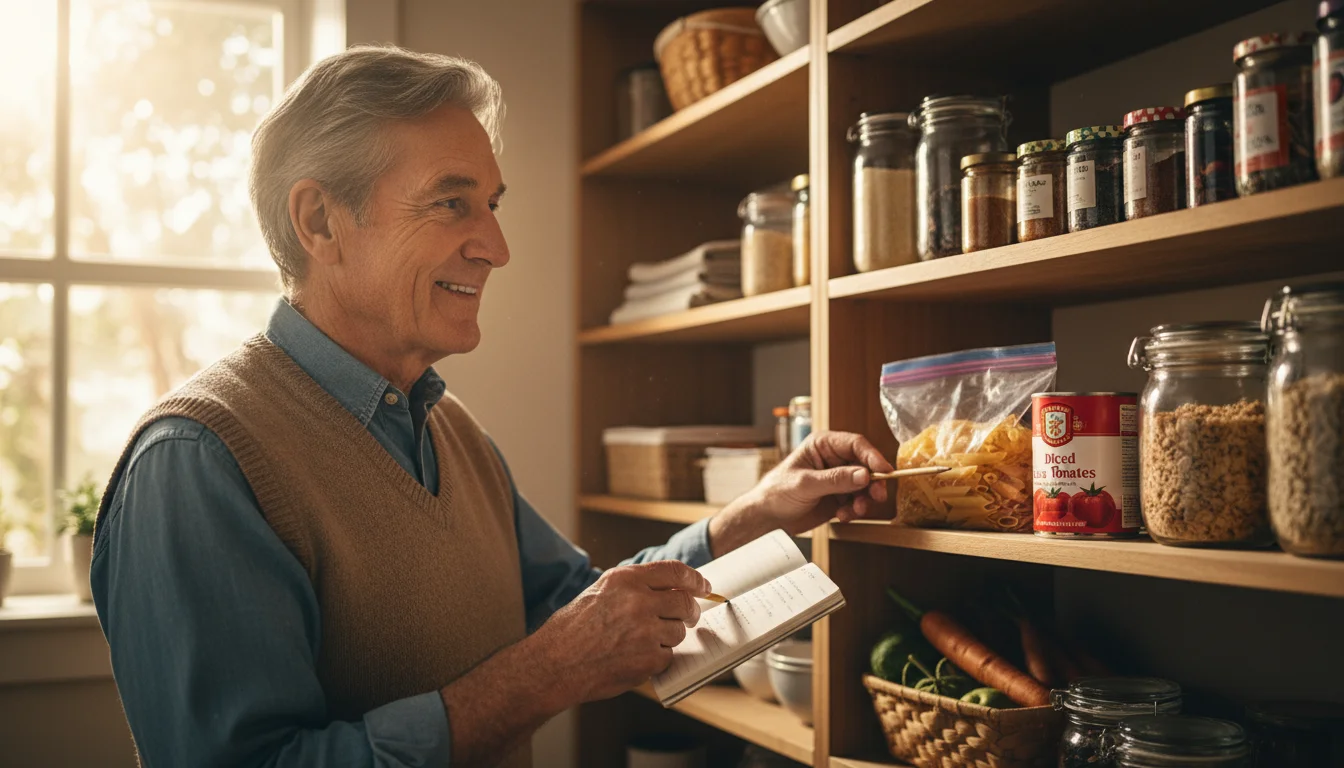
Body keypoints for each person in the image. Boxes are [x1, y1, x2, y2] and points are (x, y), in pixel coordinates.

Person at [91, 46, 894, 768]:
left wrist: (756, 515)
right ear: (319, 221)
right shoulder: (197, 461)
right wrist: (542, 677)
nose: (495, 247)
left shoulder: (448, 425)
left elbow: (580, 609)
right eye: (451, 202)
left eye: (492, 203)